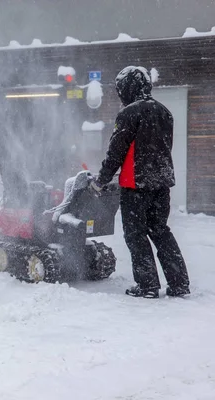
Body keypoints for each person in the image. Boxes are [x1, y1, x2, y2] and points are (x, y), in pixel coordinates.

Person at [90, 66, 190, 299]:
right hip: (161, 184)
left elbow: (116, 151)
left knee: (135, 235)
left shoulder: (129, 113)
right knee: (160, 231)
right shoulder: (165, 112)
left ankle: (147, 285)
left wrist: (101, 180)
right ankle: (179, 283)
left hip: (136, 186)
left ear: (127, 87)